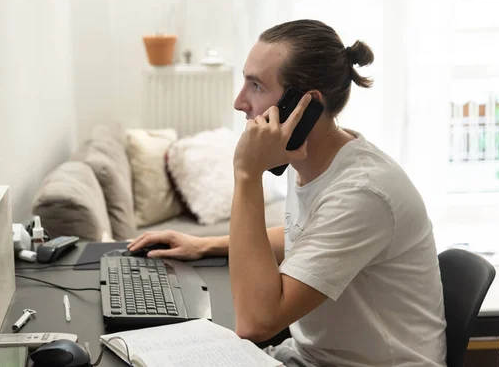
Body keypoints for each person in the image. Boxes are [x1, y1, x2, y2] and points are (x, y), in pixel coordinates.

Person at [128, 19, 447, 367]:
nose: (240, 102)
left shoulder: (362, 193)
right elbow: (305, 235)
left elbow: (255, 322)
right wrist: (205, 244)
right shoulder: (321, 161)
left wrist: (247, 174)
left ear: (305, 105)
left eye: (256, 85)